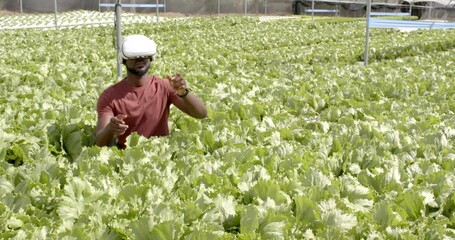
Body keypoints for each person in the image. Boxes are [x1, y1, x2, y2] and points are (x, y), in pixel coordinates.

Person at [96, 34, 207, 148]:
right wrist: (110, 128)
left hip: (161, 155)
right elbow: (100, 142)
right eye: (134, 56)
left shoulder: (164, 86)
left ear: (150, 59)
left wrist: (183, 93)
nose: (140, 59)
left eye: (145, 56)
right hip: (127, 158)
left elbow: (201, 114)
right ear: (123, 60)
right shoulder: (109, 96)